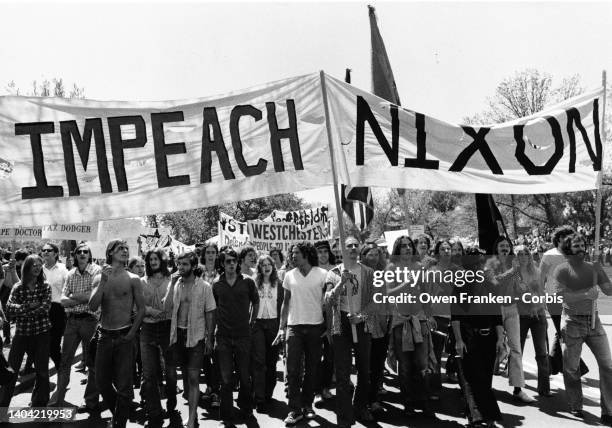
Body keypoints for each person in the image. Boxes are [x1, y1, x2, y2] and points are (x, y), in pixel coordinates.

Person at [553, 233, 612, 424]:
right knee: (571, 368)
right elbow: (561, 296)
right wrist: (586, 294)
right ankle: (576, 405)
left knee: (608, 366)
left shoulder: (593, 267)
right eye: (576, 246)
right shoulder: (562, 270)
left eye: (582, 245)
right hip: (572, 323)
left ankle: (608, 411)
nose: (580, 248)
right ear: (568, 250)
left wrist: (600, 271)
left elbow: (608, 290)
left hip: (594, 323)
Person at [89, 239, 145, 428]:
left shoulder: (133, 279)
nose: (124, 251)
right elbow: (92, 306)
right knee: (101, 382)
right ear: (110, 253)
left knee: (124, 387)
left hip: (124, 336)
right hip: (104, 336)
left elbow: (142, 309)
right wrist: (103, 282)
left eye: (126, 248)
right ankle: (119, 414)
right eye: (120, 248)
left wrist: (131, 333)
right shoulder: (99, 277)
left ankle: (119, 423)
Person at [273, 242, 327, 426]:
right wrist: (282, 327)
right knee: (293, 370)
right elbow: (285, 303)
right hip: (294, 327)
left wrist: (328, 325)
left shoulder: (322, 274)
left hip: (316, 327)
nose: (292, 256)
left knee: (312, 369)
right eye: (291, 253)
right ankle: (294, 409)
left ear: (306, 254)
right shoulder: (289, 275)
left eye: (296, 253)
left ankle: (307, 405)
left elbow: (328, 303)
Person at [325, 237, 376, 426]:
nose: (353, 248)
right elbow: (328, 300)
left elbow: (374, 301)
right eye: (349, 246)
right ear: (342, 249)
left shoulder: (368, 272)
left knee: (364, 370)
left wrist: (361, 316)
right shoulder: (334, 272)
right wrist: (341, 283)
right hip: (342, 325)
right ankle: (344, 416)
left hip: (362, 324)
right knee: (343, 372)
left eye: (356, 245)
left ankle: (360, 407)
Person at [452, 247, 504, 428]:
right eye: (474, 263)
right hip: (468, 337)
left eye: (480, 262)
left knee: (485, 379)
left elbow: (497, 314)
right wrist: (458, 340)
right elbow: (456, 316)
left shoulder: (490, 283)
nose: (478, 266)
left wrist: (500, 339)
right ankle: (479, 418)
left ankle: (482, 416)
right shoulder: (460, 284)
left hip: (489, 337)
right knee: (473, 378)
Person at [163, 251, 216, 428]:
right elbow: (167, 307)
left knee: (193, 379)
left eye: (185, 264)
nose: (181, 267)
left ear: (193, 266)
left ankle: (192, 418)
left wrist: (209, 339)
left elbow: (210, 313)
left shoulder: (204, 286)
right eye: (179, 264)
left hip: (196, 338)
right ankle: (185, 412)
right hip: (177, 336)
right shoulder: (176, 284)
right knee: (183, 379)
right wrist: (171, 283)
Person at [50, 242, 101, 413]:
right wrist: (81, 298)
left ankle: (91, 401)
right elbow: (63, 300)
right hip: (71, 321)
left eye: (85, 251)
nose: (82, 254)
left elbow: (92, 296)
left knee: (92, 363)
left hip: (90, 321)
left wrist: (74, 297)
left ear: (90, 254)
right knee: (65, 361)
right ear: (75, 255)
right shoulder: (70, 274)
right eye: (79, 251)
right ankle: (59, 399)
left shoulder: (97, 271)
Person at [387, 236, 435, 418]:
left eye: (409, 246)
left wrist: (429, 316)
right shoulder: (391, 268)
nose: (407, 248)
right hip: (400, 322)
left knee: (422, 363)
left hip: (420, 320)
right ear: (397, 249)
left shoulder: (420, 268)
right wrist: (405, 283)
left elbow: (426, 295)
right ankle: (407, 402)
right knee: (405, 365)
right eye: (403, 246)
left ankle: (424, 401)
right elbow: (388, 293)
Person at [486, 236, 535, 403]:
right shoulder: (490, 263)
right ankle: (485, 388)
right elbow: (494, 283)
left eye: (507, 245)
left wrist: (522, 289)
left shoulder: (514, 264)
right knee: (491, 349)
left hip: (512, 309)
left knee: (516, 349)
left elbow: (516, 286)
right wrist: (512, 272)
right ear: (496, 248)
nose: (505, 248)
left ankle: (518, 388)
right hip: (494, 310)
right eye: (502, 245)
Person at [213, 248, 259, 427]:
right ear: (222, 264)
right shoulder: (216, 284)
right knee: (225, 378)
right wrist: (212, 334)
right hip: (223, 336)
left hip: (243, 335)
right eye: (228, 261)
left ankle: (247, 410)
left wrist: (252, 321)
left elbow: (256, 302)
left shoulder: (247, 282)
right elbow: (213, 309)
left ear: (238, 263)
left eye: (234, 261)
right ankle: (226, 414)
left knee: (245, 375)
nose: (231, 264)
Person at [0, 254, 51, 408]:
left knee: (42, 371)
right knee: (11, 372)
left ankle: (39, 405)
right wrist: (29, 306)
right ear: (26, 267)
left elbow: (45, 308)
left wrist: (21, 310)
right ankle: (2, 408)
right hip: (22, 334)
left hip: (41, 334)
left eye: (39, 264)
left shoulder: (45, 286)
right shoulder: (18, 287)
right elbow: (9, 308)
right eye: (33, 264)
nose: (37, 267)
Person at [540, 225, 588, 376]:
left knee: (563, 331)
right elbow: (540, 277)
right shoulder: (549, 255)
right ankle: (579, 367)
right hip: (553, 298)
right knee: (564, 332)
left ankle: (553, 365)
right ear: (560, 238)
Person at [140, 248, 178, 428]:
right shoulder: (141, 281)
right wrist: (150, 311)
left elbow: (173, 305)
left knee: (170, 371)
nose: (153, 261)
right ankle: (154, 412)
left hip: (167, 327)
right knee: (149, 374)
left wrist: (164, 314)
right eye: (150, 259)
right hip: (147, 327)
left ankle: (172, 405)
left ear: (162, 260)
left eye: (156, 258)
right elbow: (138, 306)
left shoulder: (171, 279)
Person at [514, 245, 551, 397]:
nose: (523, 257)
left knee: (542, 353)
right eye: (520, 254)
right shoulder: (513, 274)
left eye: (526, 254)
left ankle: (544, 388)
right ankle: (517, 387)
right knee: (518, 352)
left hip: (538, 316)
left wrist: (539, 308)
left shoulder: (537, 272)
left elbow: (542, 293)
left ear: (530, 256)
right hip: (521, 316)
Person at [358, 242, 389, 414]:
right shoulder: (358, 274)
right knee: (365, 367)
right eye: (370, 254)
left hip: (382, 325)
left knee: (377, 365)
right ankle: (363, 401)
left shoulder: (384, 274)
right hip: (364, 326)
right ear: (363, 256)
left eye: (377, 254)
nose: (374, 258)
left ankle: (374, 399)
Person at [251, 254, 284, 411]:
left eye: (269, 264)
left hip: (273, 324)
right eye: (263, 264)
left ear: (273, 266)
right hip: (257, 324)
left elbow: (284, 307)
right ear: (259, 268)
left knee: (271, 362)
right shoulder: (253, 283)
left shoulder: (279, 284)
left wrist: (282, 328)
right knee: (259, 361)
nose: (266, 267)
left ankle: (268, 393)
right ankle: (259, 397)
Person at [313, 240, 336, 406]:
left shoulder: (336, 270)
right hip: (315, 317)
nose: (322, 255)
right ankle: (316, 391)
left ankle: (326, 386)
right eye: (319, 252)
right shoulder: (311, 271)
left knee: (330, 356)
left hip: (334, 317)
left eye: (325, 251)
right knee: (315, 356)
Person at [41, 242, 69, 371]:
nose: (45, 252)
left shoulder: (63, 269)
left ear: (56, 253)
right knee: (41, 345)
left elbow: (68, 289)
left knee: (54, 346)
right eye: (44, 250)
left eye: (49, 250)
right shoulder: (39, 269)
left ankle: (61, 372)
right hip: (41, 310)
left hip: (58, 310)